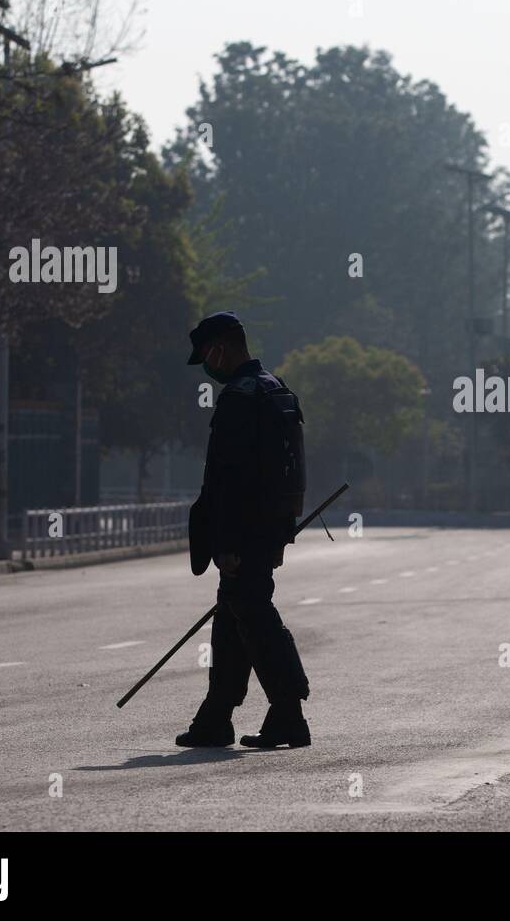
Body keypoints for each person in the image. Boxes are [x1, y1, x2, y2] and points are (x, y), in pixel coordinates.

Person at [177, 311, 311, 750]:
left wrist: (226, 542)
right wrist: (281, 531)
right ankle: (216, 716)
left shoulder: (240, 397)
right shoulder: (277, 391)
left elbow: (229, 479)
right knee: (233, 617)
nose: (209, 366)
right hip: (269, 527)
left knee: (254, 617)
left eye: (209, 354)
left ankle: (289, 712)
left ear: (223, 346)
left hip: (244, 533)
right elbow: (288, 472)